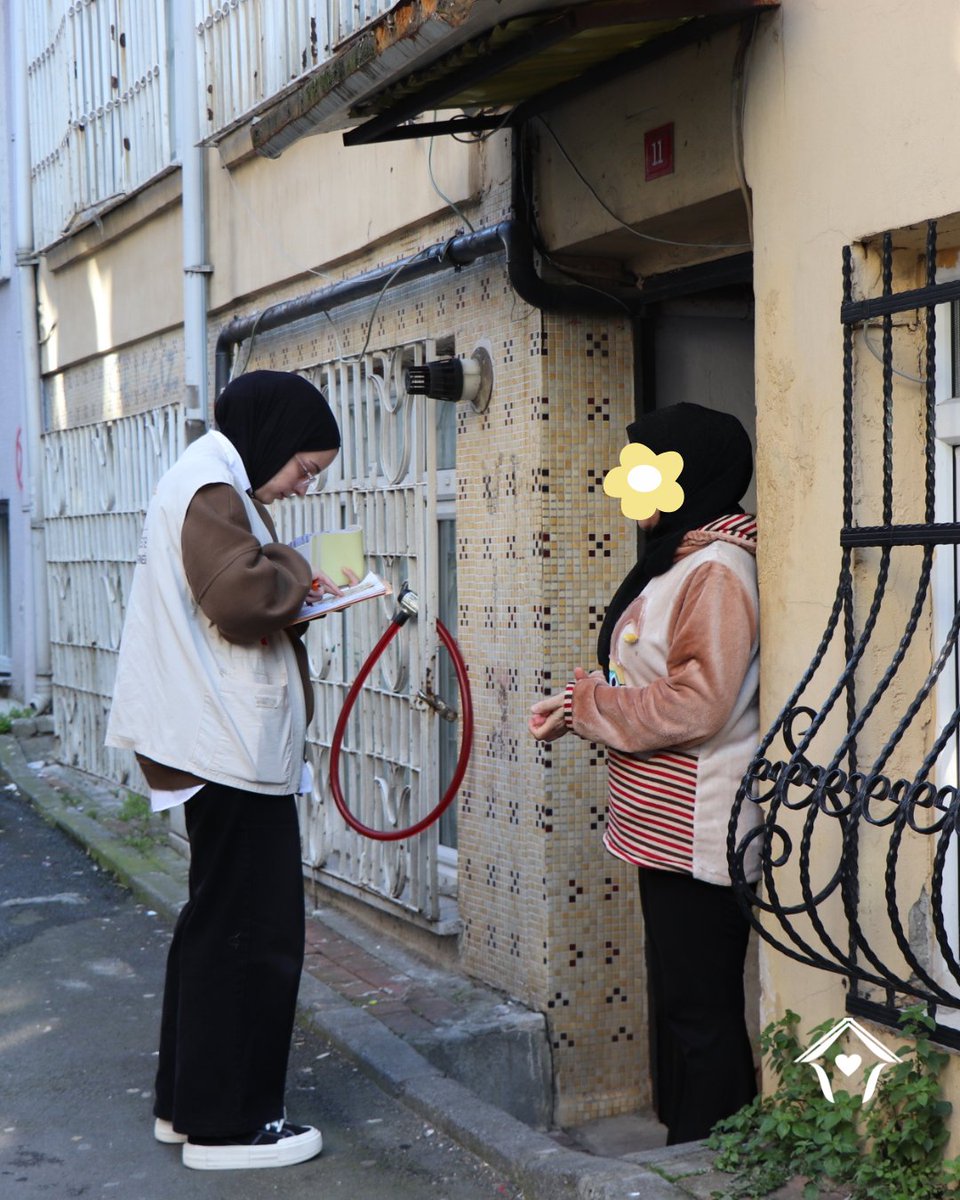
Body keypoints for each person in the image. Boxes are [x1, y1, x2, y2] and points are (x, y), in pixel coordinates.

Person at [106, 369, 346, 1170]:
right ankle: (230, 1128)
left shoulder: (208, 481)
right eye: (304, 469)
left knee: (216, 930)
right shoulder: (215, 484)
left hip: (212, 743)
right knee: (254, 937)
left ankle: (190, 1108)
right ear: (273, 440)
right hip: (226, 748)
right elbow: (241, 600)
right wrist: (305, 573)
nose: (302, 486)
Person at [529, 402, 761, 1145]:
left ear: (684, 475)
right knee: (685, 1005)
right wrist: (579, 706)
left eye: (646, 469)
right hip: (664, 826)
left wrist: (594, 704)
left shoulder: (718, 569)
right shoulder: (689, 556)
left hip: (699, 828)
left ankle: (714, 1157)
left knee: (701, 1011)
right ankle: (690, 1146)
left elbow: (700, 702)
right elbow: (656, 678)